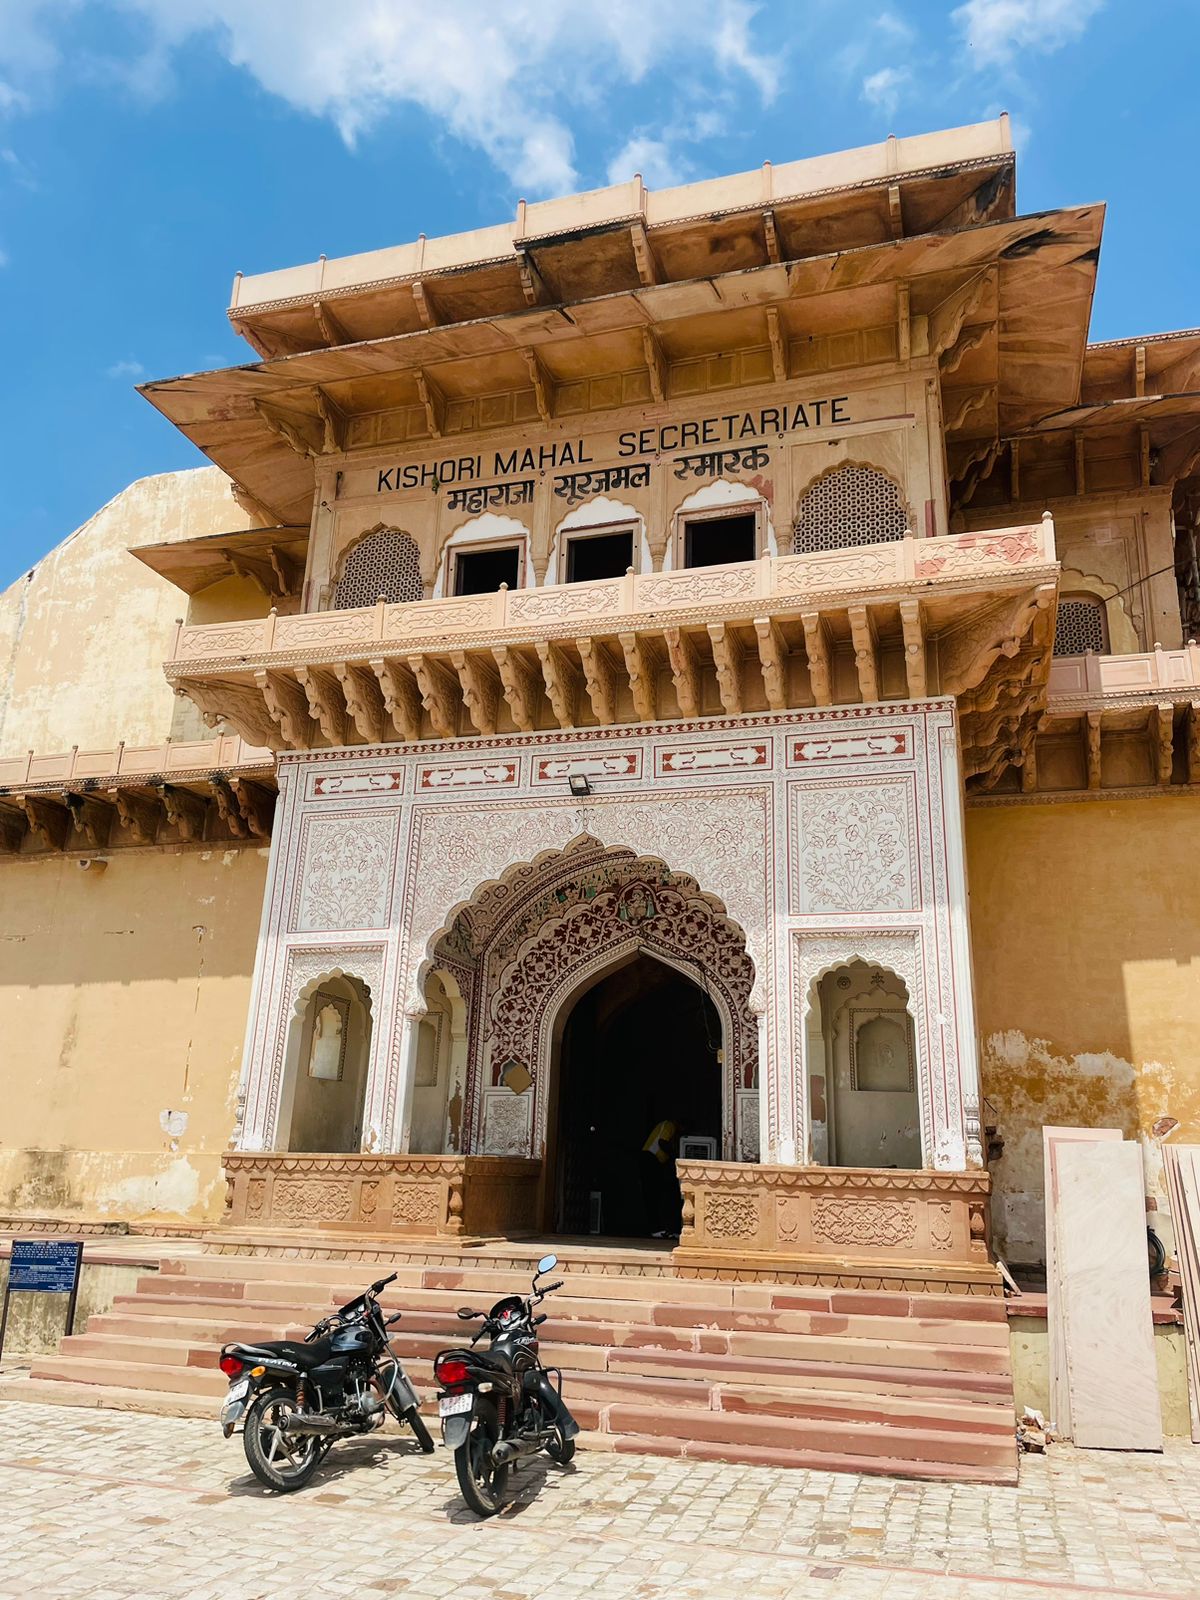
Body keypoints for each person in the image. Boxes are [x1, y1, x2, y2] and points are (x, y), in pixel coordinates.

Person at [640, 1117, 679, 1239]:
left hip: (653, 1161)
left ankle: (658, 1228)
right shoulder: (669, 1125)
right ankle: (655, 1228)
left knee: (654, 1193)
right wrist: (676, 1156)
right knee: (653, 1194)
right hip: (650, 1159)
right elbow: (662, 1142)